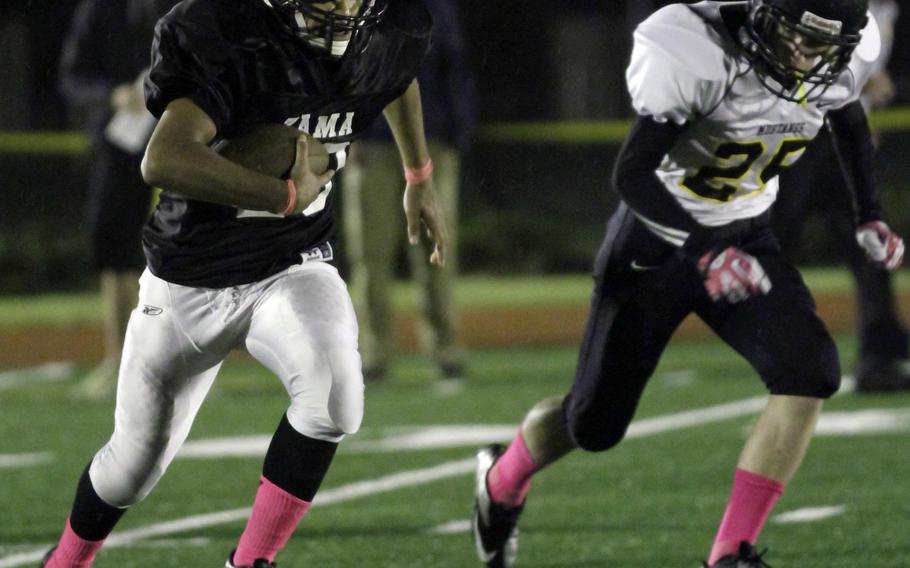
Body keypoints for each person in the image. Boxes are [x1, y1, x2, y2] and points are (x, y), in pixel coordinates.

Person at [472, 1, 904, 567]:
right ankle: (501, 478)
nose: (803, 54)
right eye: (792, 35)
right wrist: (705, 250)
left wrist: (868, 212)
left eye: (819, 45)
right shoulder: (696, 46)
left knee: (810, 370)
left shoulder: (843, 53)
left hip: (745, 235)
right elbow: (632, 174)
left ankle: (730, 553)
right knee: (593, 424)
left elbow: (848, 115)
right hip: (658, 243)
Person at [42, 0, 447, 567]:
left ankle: (249, 562)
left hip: (290, 262)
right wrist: (281, 195)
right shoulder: (232, 33)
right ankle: (63, 561)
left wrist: (418, 175)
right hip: (189, 278)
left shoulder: (385, 29)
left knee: (335, 397)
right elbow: (161, 159)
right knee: (130, 469)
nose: (346, 9)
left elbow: (393, 77)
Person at [773, 0, 908, 392]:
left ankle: (878, 354)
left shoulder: (889, 11)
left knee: (870, 244)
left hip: (841, 142)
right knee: (773, 240)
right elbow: (789, 51)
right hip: (799, 136)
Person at [341, 0, 476, 382]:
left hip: (431, 142)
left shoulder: (437, 7)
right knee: (370, 254)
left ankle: (445, 349)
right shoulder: (362, 5)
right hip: (374, 146)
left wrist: (456, 136)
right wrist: (349, 135)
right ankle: (374, 352)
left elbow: (455, 68)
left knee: (437, 253)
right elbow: (345, 71)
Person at [58, 0, 179, 400]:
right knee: (115, 247)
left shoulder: (181, 7)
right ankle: (120, 357)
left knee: (182, 251)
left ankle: (181, 364)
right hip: (118, 144)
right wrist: (113, 96)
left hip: (180, 141)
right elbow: (73, 76)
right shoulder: (100, 10)